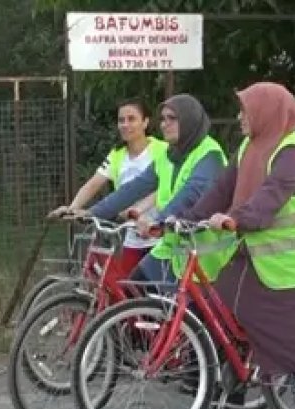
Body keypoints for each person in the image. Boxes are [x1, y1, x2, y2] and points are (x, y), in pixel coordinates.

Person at [184, 82, 295, 409]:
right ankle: (226, 392)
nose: (240, 119)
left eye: (245, 112)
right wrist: (188, 218)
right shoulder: (250, 149)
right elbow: (221, 188)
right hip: (254, 256)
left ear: (267, 113)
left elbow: (271, 196)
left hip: (291, 266)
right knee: (220, 309)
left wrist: (238, 218)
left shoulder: (291, 154)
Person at [81, 94, 232, 286]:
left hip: (206, 253)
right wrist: (91, 213)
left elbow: (191, 193)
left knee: (182, 312)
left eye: (172, 118)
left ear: (189, 120)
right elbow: (133, 188)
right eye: (162, 118)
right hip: (174, 247)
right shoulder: (170, 155)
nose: (164, 124)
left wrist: (158, 221)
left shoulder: (209, 154)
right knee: (133, 292)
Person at [52, 99, 166, 285]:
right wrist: (73, 208)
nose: (125, 125)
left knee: (157, 297)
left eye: (132, 119)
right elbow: (93, 184)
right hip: (132, 235)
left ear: (145, 122)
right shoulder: (117, 154)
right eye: (121, 120)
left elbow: (166, 187)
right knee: (127, 293)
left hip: (159, 233)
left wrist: (139, 210)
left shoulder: (162, 150)